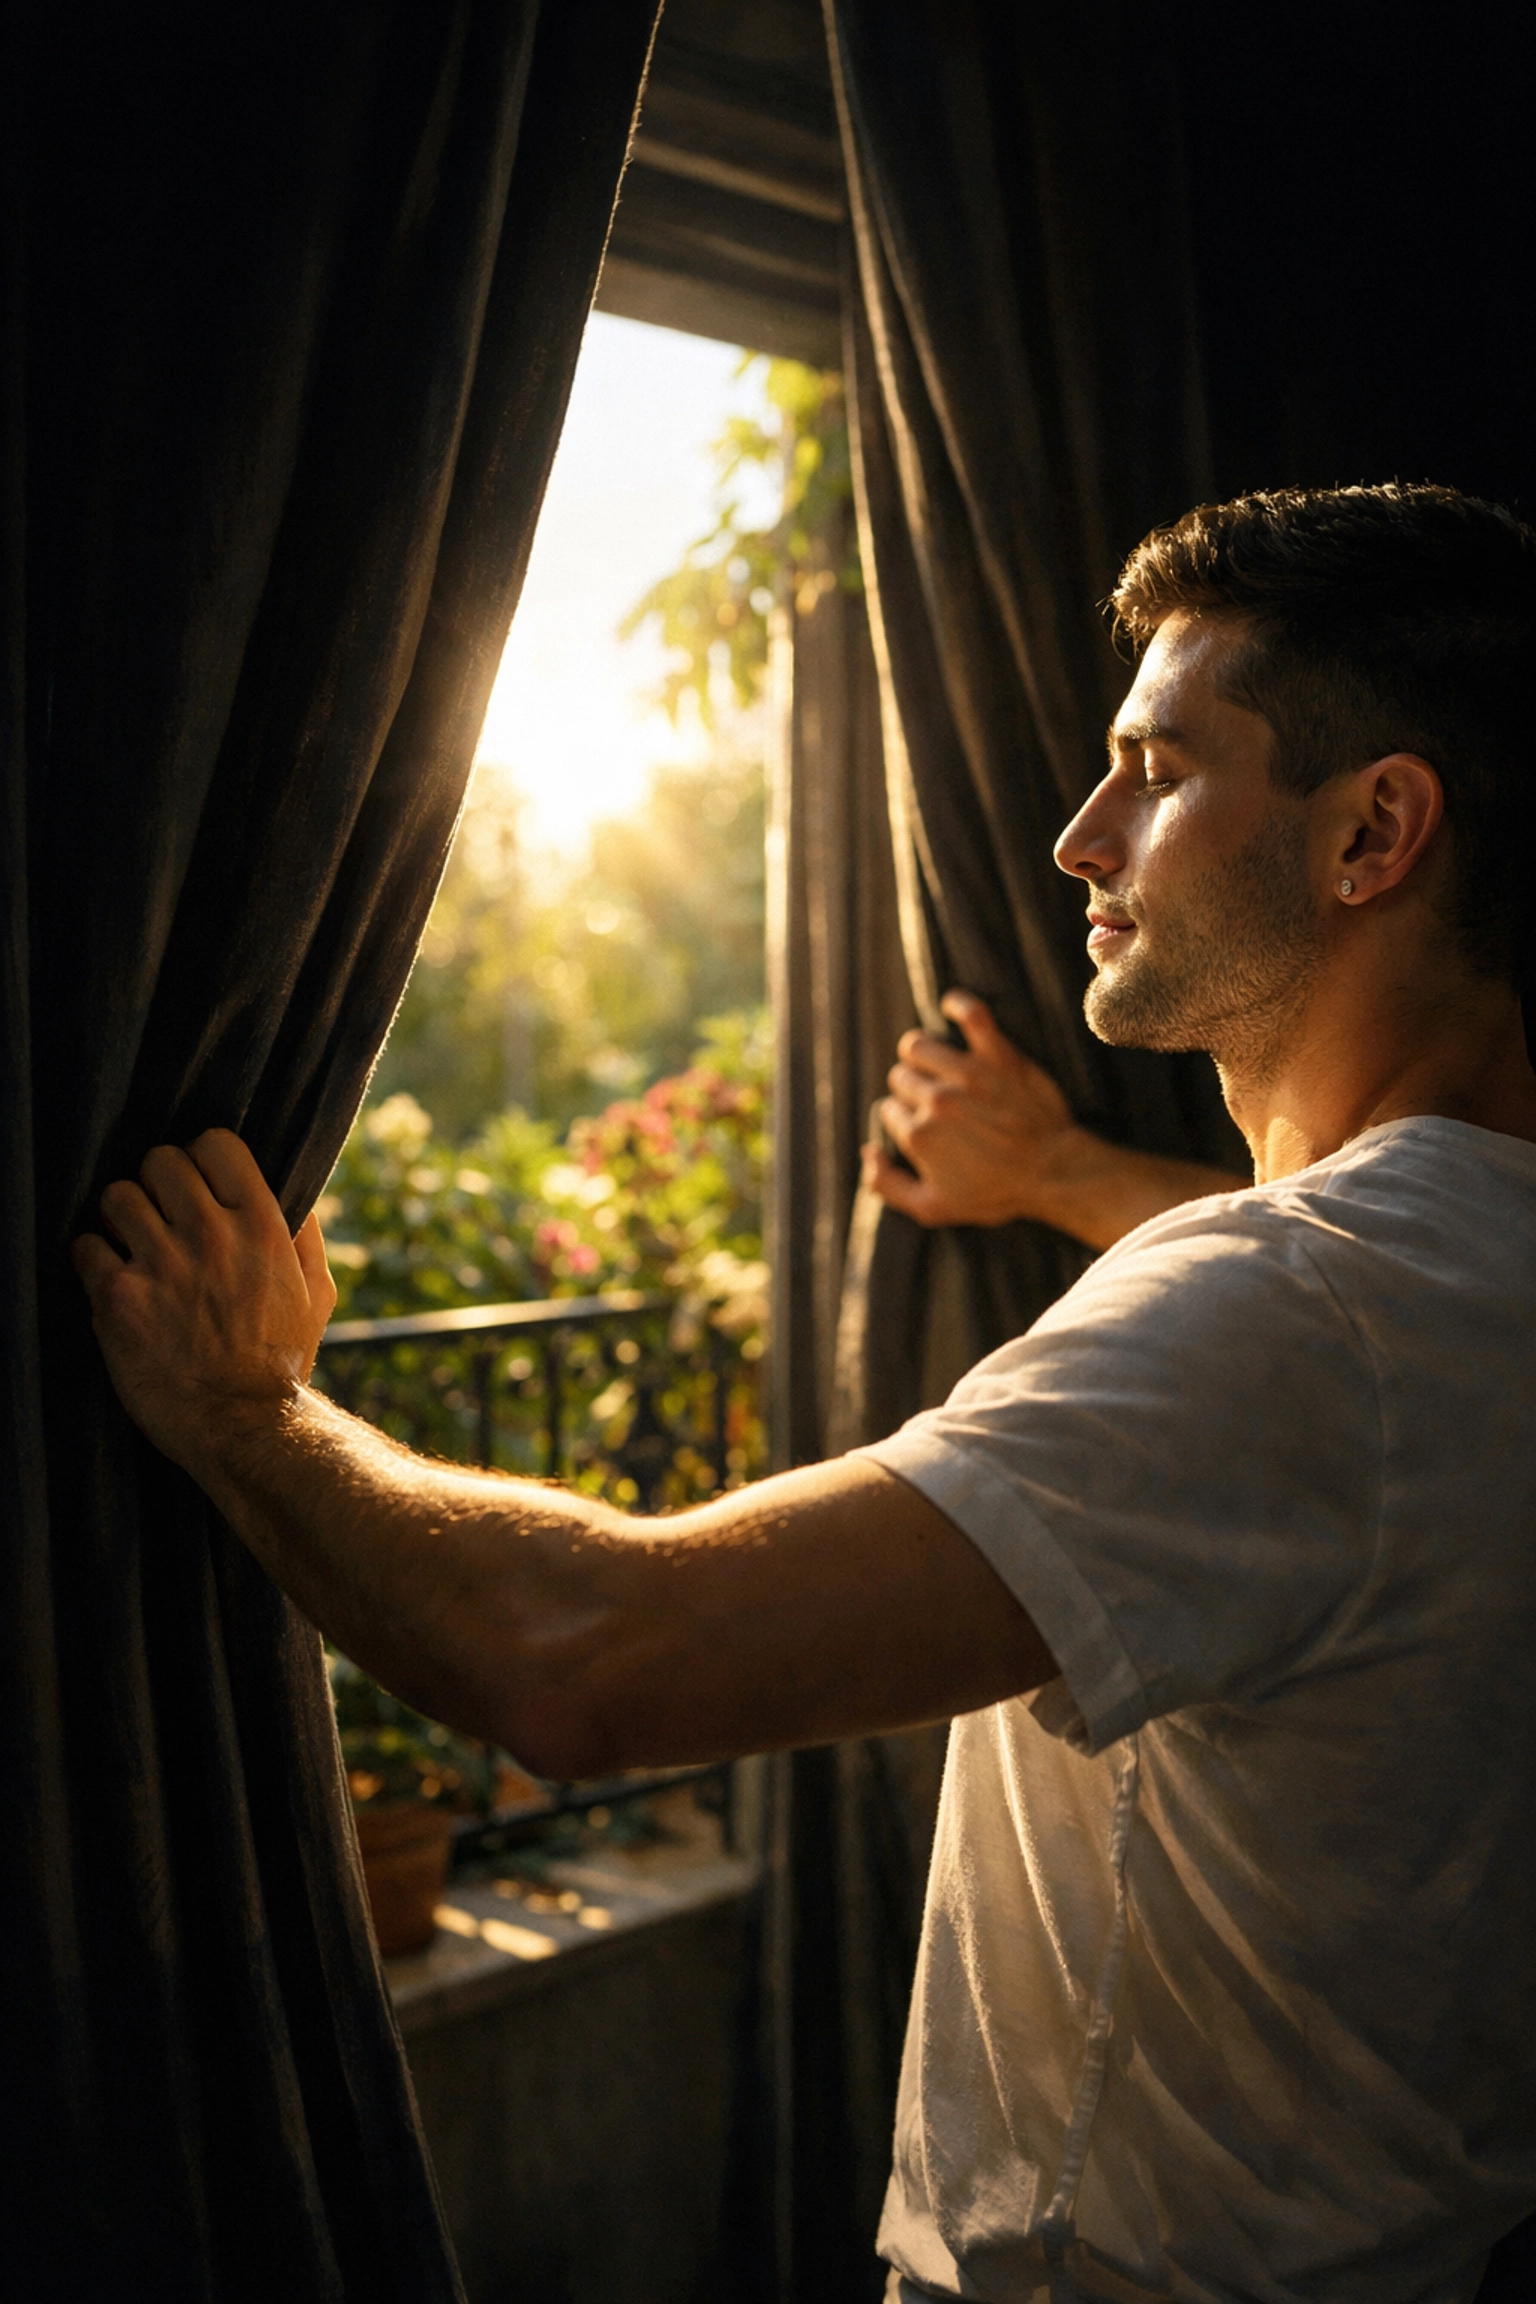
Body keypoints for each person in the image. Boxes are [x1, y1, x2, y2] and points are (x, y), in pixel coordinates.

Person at [74, 485, 1536, 2303]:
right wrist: (1064, 1173)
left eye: (1156, 769)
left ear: (1372, 832)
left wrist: (245, 1412)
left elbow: (591, 1657)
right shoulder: (1462, 1278)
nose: (1083, 840)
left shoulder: (1294, 1314)